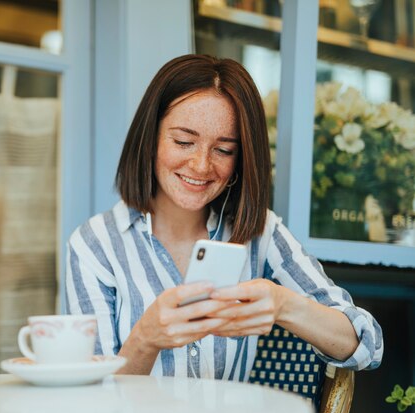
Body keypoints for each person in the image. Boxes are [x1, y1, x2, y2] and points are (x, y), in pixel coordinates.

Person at [65, 54, 383, 380]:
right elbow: (94, 396)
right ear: (150, 139)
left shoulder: (261, 232)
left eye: (224, 150)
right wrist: (145, 339)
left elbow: (367, 345)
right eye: (184, 141)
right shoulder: (95, 245)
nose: (201, 166)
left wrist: (283, 306)